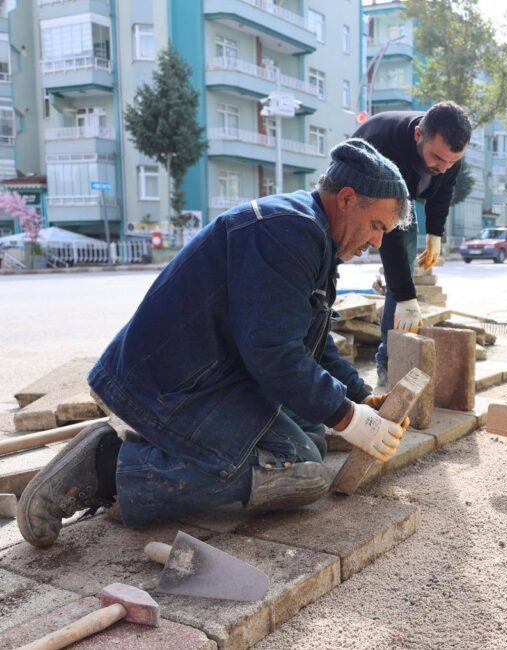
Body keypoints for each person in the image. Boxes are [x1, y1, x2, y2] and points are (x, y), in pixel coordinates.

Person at [18, 139, 413, 547]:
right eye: (377, 227)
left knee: (309, 433)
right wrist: (348, 418)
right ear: (347, 199)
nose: (378, 243)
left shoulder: (311, 232)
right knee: (299, 472)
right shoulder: (290, 233)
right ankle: (108, 467)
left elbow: (311, 340)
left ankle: (169, 446)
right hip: (172, 387)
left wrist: (359, 397)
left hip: (208, 374)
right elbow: (274, 353)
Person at [353, 101, 473, 385]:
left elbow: (444, 192)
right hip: (358, 189)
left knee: (403, 268)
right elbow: (391, 233)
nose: (443, 168)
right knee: (346, 258)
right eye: (437, 158)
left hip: (401, 195)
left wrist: (435, 234)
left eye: (451, 162)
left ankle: (389, 361)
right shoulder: (388, 144)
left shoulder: (448, 154)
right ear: (419, 134)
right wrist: (406, 296)